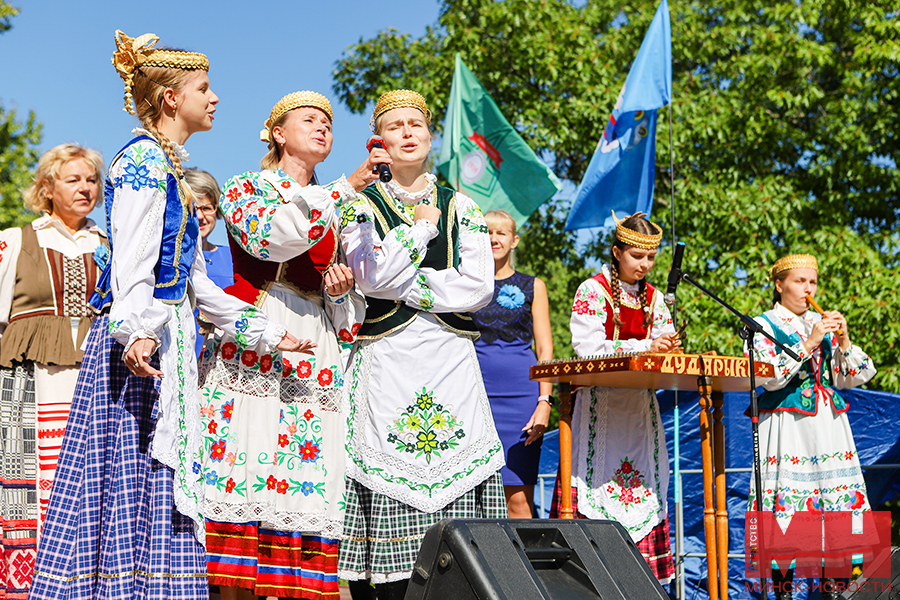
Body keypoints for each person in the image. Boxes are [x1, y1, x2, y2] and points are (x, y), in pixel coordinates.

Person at [28, 30, 308, 600]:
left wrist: (267, 332)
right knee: (131, 484)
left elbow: (194, 283)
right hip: (142, 348)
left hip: (166, 337)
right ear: (169, 100)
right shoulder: (141, 162)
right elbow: (131, 257)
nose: (215, 98)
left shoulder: (171, 168)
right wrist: (136, 332)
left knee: (158, 486)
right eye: (204, 88)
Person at [198, 90, 377, 600]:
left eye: (328, 122)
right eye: (309, 119)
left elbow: (347, 303)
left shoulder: (338, 202)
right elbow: (271, 238)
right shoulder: (243, 187)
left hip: (313, 335)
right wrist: (344, 187)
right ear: (277, 133)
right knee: (243, 456)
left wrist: (340, 291)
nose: (323, 128)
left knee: (303, 466)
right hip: (257, 326)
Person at [338, 89, 506, 600]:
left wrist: (402, 284)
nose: (408, 132)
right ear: (379, 141)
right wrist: (419, 240)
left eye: (417, 124)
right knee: (388, 464)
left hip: (449, 361)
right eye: (396, 126)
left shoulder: (463, 205)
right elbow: (366, 272)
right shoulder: (358, 204)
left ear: (430, 137)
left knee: (456, 465)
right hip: (386, 359)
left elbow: (478, 287)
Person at [0, 143, 106, 597]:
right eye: (73, 179)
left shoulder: (109, 245)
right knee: (34, 488)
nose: (86, 188)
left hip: (97, 385)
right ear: (47, 187)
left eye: (92, 180)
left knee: (87, 485)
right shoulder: (15, 240)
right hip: (33, 383)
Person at [551, 211, 679, 584]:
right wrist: (646, 345)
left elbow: (663, 343)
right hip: (598, 407)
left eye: (651, 257)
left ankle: (642, 582)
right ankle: (588, 578)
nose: (645, 265)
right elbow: (586, 347)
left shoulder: (656, 299)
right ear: (616, 252)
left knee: (644, 485)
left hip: (639, 411)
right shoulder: (593, 290)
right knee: (591, 490)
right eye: (637, 256)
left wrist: (668, 348)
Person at [746, 254, 876, 600]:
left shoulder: (822, 321)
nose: (808, 289)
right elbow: (768, 377)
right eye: (799, 281)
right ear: (779, 285)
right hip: (788, 427)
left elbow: (853, 377)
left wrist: (844, 341)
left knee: (837, 511)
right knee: (787, 512)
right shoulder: (764, 324)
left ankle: (837, 590)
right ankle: (783, 593)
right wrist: (808, 343)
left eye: (812, 282)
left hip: (829, 427)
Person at [470, 209, 552, 519]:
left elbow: (545, 348)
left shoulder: (534, 286)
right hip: (474, 397)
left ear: (514, 240)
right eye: (487, 232)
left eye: (501, 233)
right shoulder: (464, 284)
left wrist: (545, 401)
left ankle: (522, 568)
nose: (493, 238)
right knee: (473, 498)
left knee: (518, 498)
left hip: (522, 399)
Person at [183, 168, 233, 355]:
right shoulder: (167, 260)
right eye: (193, 208)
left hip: (222, 359)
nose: (201, 217)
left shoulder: (233, 259)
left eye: (206, 208)